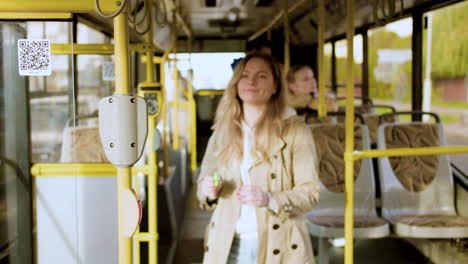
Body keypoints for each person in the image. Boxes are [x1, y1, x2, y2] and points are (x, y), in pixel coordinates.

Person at [197, 53, 320, 264]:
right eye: (245, 75)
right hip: (226, 243)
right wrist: (208, 190)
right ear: (236, 84)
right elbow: (205, 180)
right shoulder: (222, 131)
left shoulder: (296, 132)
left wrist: (270, 199)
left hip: (279, 244)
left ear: (275, 87)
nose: (251, 81)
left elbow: (309, 193)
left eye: (261, 76)